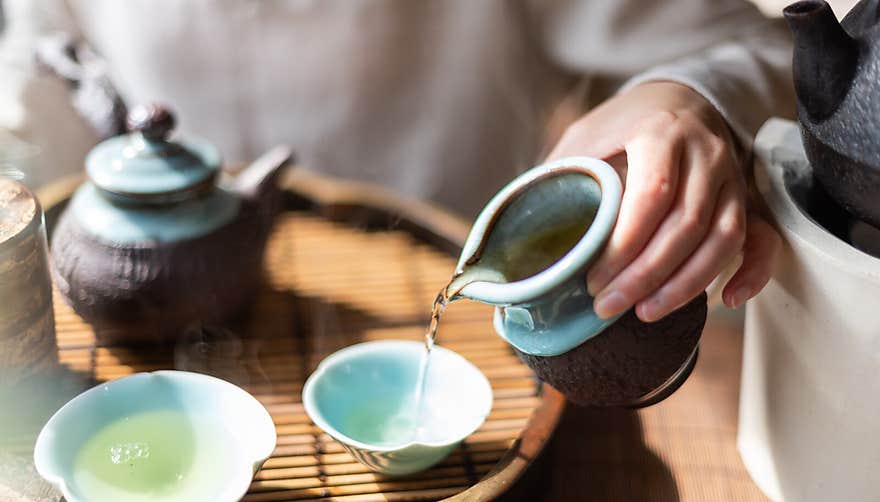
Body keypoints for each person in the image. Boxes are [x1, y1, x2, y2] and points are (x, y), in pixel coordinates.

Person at [0, 0, 794, 321]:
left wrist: (684, 99)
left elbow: (755, 45)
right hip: (157, 328)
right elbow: (30, 118)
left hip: (473, 327)